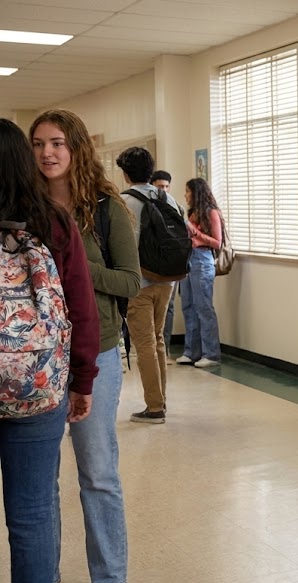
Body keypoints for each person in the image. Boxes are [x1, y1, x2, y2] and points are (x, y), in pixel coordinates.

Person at [30, 109, 140, 583]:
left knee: (97, 474)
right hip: (38, 360)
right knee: (40, 481)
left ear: (76, 148)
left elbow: (131, 282)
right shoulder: (23, 205)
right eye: (37, 144)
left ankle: (109, 580)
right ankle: (45, 576)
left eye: (57, 143)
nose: (47, 153)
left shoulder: (105, 207)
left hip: (97, 354)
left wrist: (71, 266)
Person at [0, 117, 99, 583]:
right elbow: (80, 308)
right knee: (33, 515)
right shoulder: (54, 222)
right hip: (38, 389)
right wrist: (82, 381)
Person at [116, 147, 182, 424]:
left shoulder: (124, 203)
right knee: (157, 341)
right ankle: (160, 401)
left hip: (139, 283)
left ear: (125, 173)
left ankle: (154, 408)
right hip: (167, 281)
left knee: (143, 344)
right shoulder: (169, 198)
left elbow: (123, 246)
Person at [175, 177, 222, 368]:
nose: (185, 195)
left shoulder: (211, 213)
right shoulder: (192, 213)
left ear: (196, 193)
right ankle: (191, 351)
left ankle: (211, 353)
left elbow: (217, 242)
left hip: (202, 260)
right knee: (188, 306)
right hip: (187, 260)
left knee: (203, 307)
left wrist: (195, 233)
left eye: (188, 191)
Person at [151, 170, 180, 361]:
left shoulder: (175, 207)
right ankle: (149, 348)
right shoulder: (147, 206)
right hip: (149, 267)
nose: (164, 189)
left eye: (166, 186)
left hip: (170, 267)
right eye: (160, 186)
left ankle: (165, 348)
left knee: (168, 307)